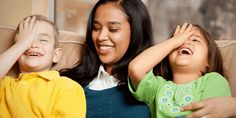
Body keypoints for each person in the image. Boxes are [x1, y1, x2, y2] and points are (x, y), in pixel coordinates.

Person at [60, 0, 153, 117]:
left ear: (136, 31)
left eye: (113, 29)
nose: (100, 37)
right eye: (96, 28)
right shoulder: (68, 83)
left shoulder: (154, 83)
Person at [128, 23, 231, 118]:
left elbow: (213, 112)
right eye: (180, 40)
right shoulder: (157, 88)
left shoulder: (214, 80)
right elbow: (135, 69)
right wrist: (173, 42)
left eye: (195, 40)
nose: (184, 42)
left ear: (208, 61)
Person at [0, 15, 86, 117]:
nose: (33, 44)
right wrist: (22, 44)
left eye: (43, 40)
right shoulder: (6, 85)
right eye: (27, 39)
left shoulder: (66, 87)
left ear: (56, 55)